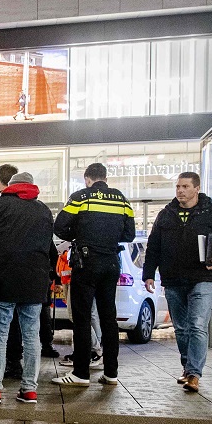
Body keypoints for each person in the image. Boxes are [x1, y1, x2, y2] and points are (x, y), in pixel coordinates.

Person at [143, 171, 212, 393]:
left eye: (185, 187)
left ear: (196, 188)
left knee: (196, 325)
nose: (180, 191)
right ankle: (188, 368)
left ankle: (194, 373)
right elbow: (154, 245)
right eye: (178, 187)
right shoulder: (166, 214)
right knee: (182, 329)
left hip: (202, 277)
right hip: (173, 279)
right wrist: (148, 274)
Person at [0, 171, 56, 404]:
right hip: (35, 282)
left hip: (3, 280)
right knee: (31, 336)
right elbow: (50, 247)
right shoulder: (43, 210)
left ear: (12, 186)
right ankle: (29, 389)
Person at [52, 163, 136, 387]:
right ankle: (111, 373)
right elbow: (129, 234)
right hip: (111, 263)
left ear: (87, 179)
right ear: (105, 178)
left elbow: (59, 227)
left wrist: (80, 234)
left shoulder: (81, 197)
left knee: (82, 317)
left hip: (86, 262)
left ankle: (80, 373)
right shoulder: (121, 199)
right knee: (109, 317)